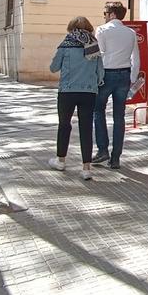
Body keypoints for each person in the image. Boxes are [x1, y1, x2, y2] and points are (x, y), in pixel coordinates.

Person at [48, 16, 104, 180]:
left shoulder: (66, 45)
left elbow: (53, 68)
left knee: (64, 125)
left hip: (67, 91)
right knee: (86, 127)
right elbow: (100, 73)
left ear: (71, 29)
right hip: (88, 92)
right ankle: (86, 167)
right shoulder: (94, 45)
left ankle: (61, 160)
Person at [95, 1, 139, 169]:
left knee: (98, 111)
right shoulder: (130, 33)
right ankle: (115, 158)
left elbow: (99, 54)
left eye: (105, 13)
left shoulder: (102, 30)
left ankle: (102, 149)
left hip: (106, 74)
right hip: (124, 74)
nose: (104, 16)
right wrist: (132, 78)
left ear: (112, 14)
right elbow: (136, 58)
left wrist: (97, 76)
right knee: (119, 117)